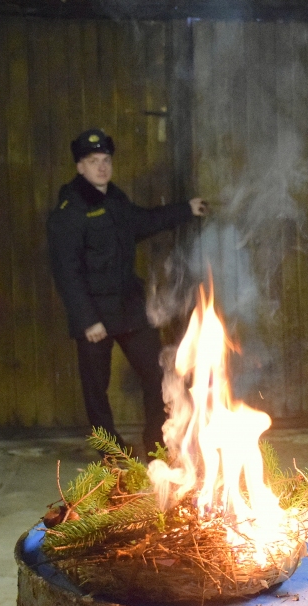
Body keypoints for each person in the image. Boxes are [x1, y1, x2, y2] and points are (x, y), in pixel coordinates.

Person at [47, 129, 209, 455]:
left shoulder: (114, 198)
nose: (102, 167)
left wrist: (185, 210)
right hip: (95, 314)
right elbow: (67, 271)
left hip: (129, 307)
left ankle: (155, 443)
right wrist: (87, 320)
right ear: (80, 167)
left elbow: (142, 221)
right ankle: (110, 452)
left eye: (106, 160)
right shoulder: (71, 209)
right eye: (94, 162)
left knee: (157, 374)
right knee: (97, 388)